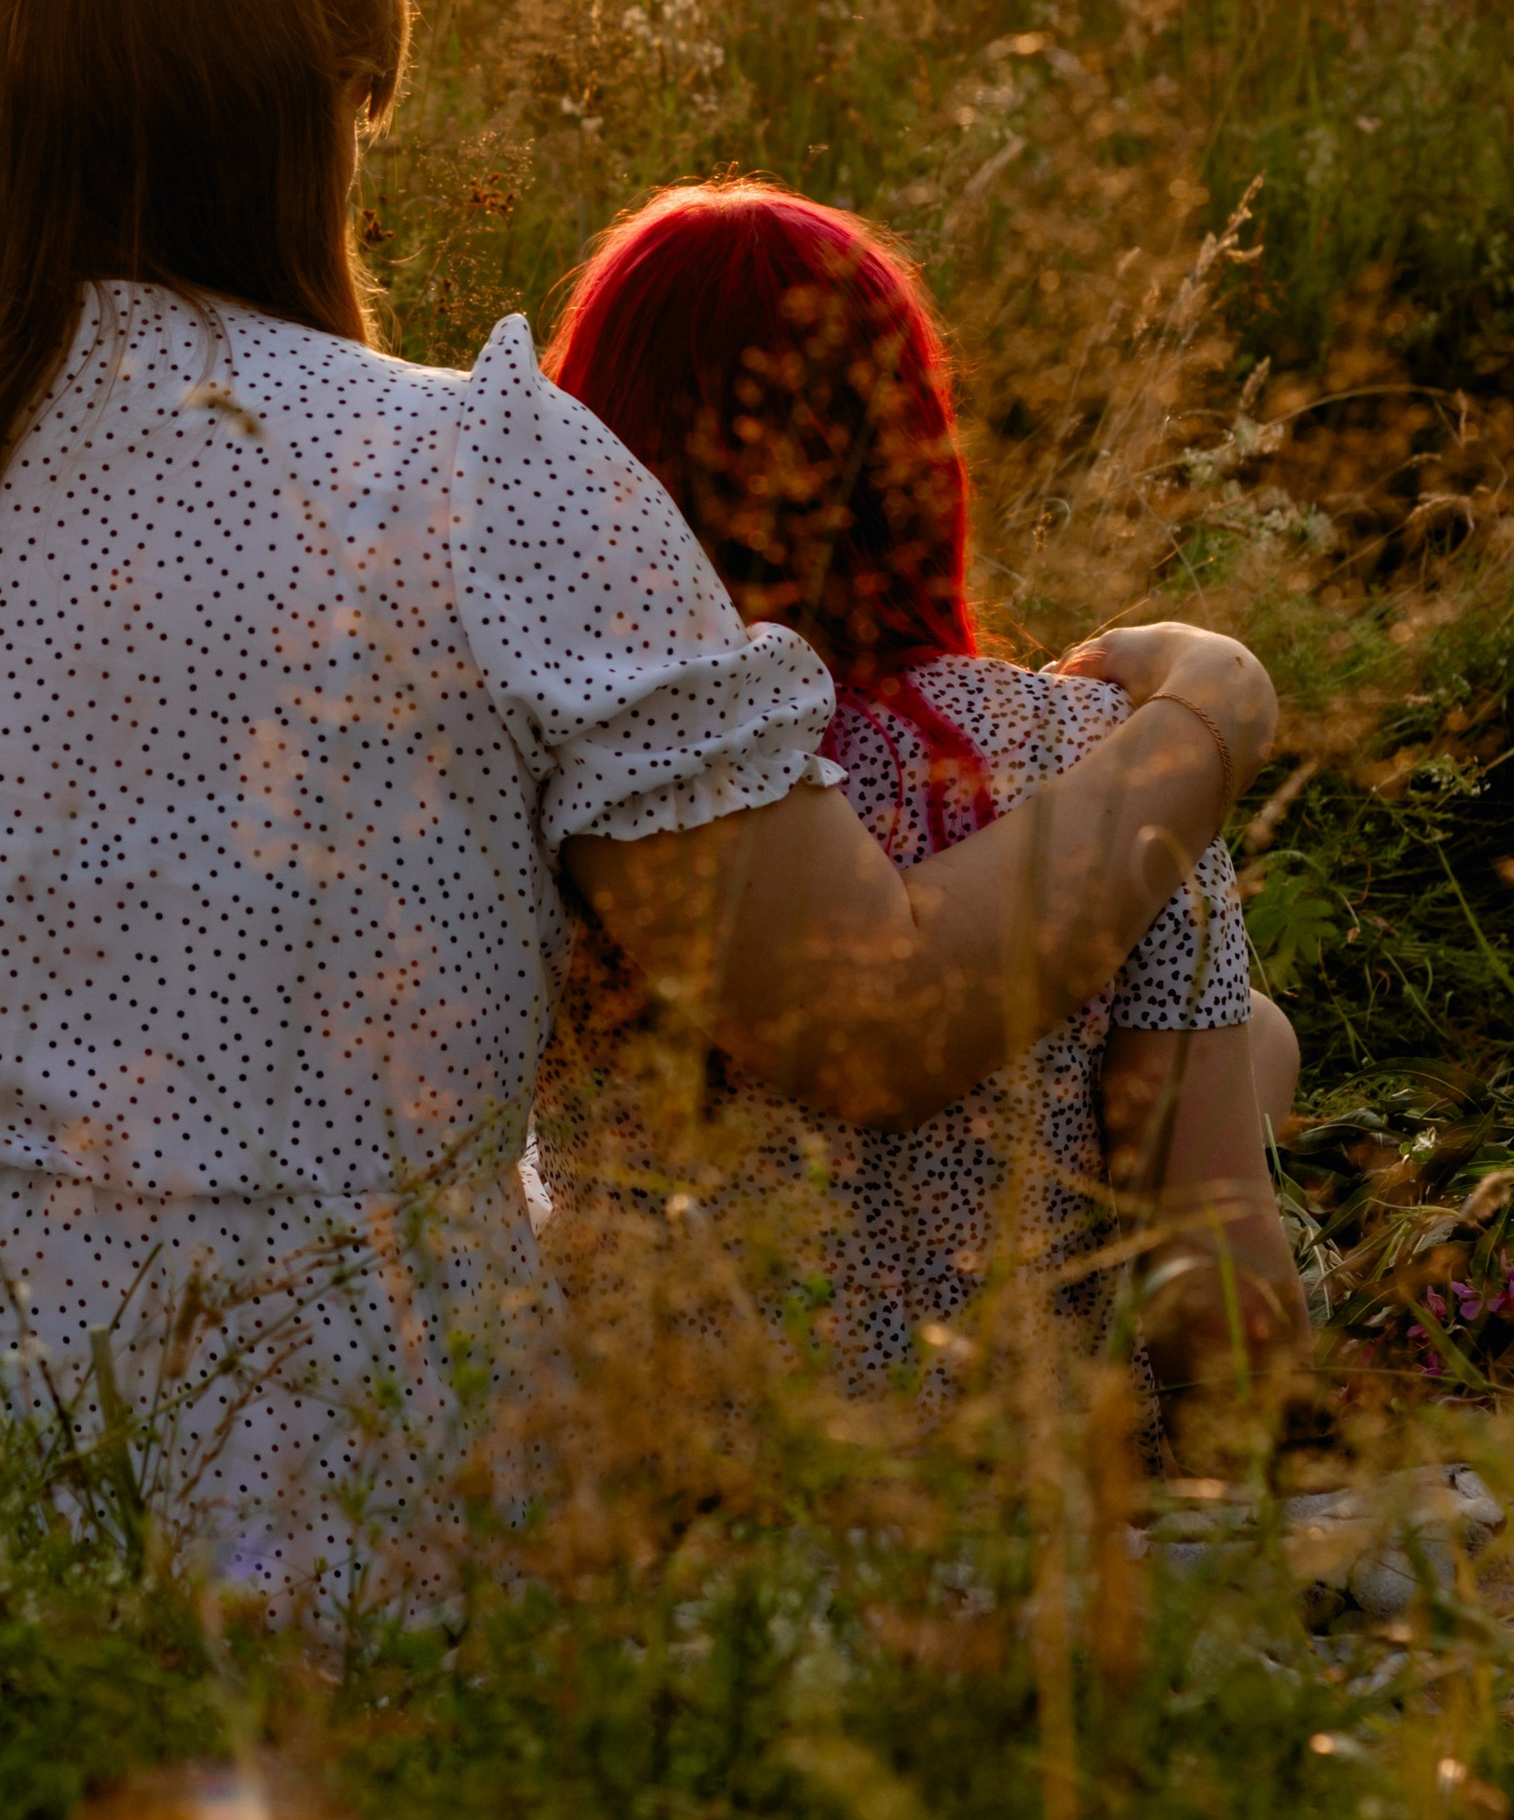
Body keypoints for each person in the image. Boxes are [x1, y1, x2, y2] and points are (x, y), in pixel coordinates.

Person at [0, 0, 1273, 1602]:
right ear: (323, 108)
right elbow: (867, 1025)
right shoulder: (476, 481)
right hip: (283, 1496)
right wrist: (1196, 725)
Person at [539, 181, 1309, 1423]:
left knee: (1256, 1036)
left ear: (596, 452)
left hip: (661, 1515)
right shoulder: (1108, 755)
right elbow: (1223, 1321)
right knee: (1251, 1048)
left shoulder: (563, 767)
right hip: (1010, 1501)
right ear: (911, 445)